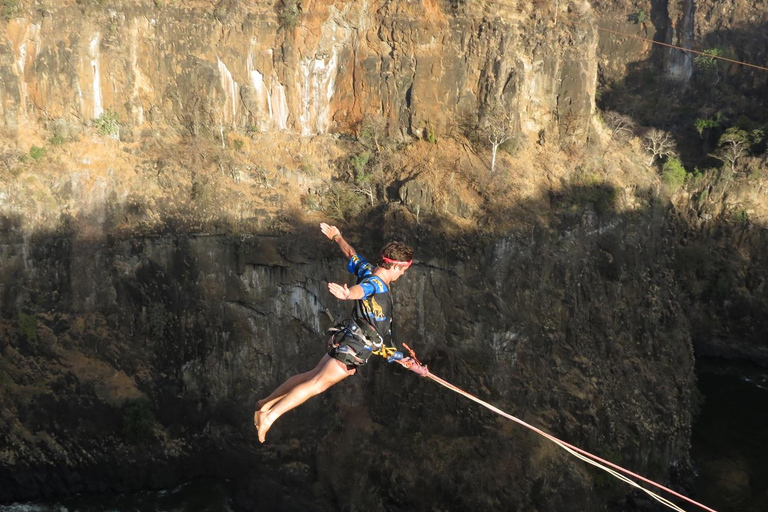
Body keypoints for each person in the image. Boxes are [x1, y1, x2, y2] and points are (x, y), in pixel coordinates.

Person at [253, 223, 414, 443]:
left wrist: (337, 236)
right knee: (316, 384)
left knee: (310, 376)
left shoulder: (366, 269)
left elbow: (351, 254)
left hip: (352, 340)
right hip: (355, 347)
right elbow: (362, 291)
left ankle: (266, 403)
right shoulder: (375, 284)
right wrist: (349, 295)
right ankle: (269, 417)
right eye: (404, 269)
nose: (403, 274)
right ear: (394, 266)